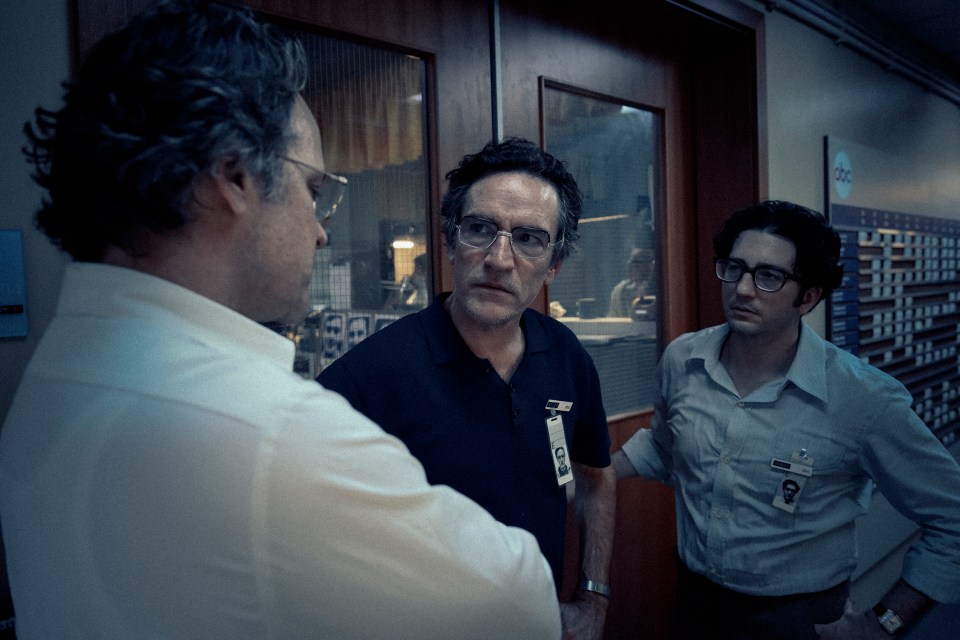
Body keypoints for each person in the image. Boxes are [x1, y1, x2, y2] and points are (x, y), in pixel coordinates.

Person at [0, 3, 562, 638]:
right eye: (315, 191)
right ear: (236, 177)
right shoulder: (274, 434)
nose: (322, 233)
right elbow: (521, 606)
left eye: (531, 240)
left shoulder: (54, 373)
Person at [612, 200, 960, 639]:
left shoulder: (862, 398)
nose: (742, 289)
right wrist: (594, 474)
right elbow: (666, 446)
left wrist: (883, 624)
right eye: (734, 268)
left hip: (797, 618)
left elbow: (953, 517)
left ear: (808, 297)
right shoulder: (684, 359)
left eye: (769, 276)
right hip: (694, 604)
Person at [319, 137, 616, 640]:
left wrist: (592, 595)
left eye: (528, 238)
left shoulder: (566, 357)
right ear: (451, 241)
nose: (500, 259)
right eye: (481, 229)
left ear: (554, 267)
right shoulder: (364, 380)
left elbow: (593, 478)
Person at [607, 247, 654, 317]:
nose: (632, 265)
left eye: (638, 262)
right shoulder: (620, 291)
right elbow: (612, 319)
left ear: (650, 265)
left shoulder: (659, 290)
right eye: (631, 261)